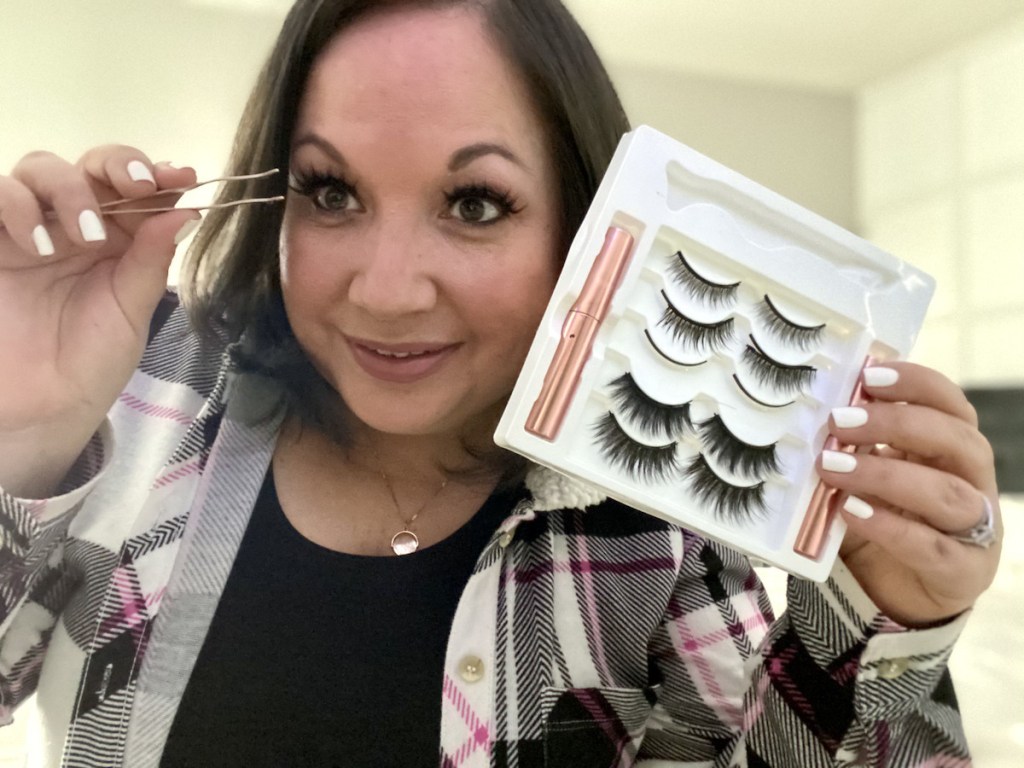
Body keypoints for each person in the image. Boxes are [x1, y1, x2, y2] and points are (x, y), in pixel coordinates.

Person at [0, 0, 1003, 765]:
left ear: (584, 228)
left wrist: (882, 633)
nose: (386, 292)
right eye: (330, 191)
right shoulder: (149, 391)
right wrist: (26, 436)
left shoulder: (656, 531)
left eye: (475, 203)